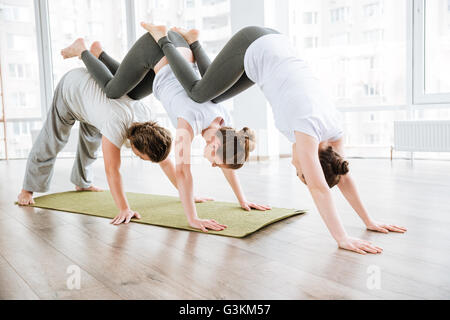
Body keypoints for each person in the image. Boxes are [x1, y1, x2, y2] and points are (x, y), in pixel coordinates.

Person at [141, 24, 407, 254]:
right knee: (199, 93)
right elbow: (319, 188)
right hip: (254, 45)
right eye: (300, 171)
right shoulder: (307, 130)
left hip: (272, 46)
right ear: (310, 161)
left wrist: (368, 220)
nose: (295, 166)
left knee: (214, 93)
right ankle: (165, 37)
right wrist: (342, 237)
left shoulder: (333, 131)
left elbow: (343, 175)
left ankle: (192, 38)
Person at [60, 33, 271, 233]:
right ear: (215, 145)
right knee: (112, 90)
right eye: (215, 161)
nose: (213, 165)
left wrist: (242, 199)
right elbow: (183, 172)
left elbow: (227, 162)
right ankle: (84, 52)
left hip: (175, 53)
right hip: (160, 51)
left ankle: (100, 55)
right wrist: (193, 218)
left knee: (127, 90)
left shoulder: (223, 120)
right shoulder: (188, 122)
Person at [16, 65, 182, 226]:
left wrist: (184, 192)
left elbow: (165, 161)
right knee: (52, 140)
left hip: (93, 100)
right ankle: (27, 188)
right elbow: (112, 170)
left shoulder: (147, 118)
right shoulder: (115, 122)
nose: (140, 159)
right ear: (134, 144)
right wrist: (124, 209)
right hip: (71, 89)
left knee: (91, 142)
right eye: (140, 156)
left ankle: (82, 183)